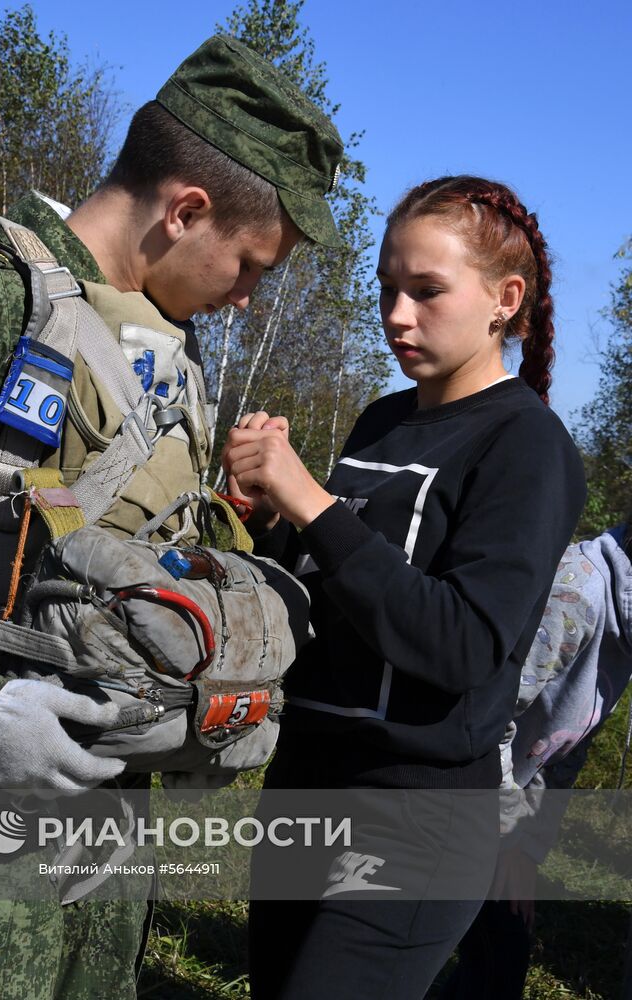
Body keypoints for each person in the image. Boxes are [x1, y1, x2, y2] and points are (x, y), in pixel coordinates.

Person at [0, 34, 343, 1000]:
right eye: (252, 263)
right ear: (186, 211)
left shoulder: (164, 348)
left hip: (112, 825)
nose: (248, 297)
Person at [221, 175, 587, 999]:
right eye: (388, 289)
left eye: (426, 291)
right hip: (305, 788)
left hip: (415, 817)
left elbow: (458, 643)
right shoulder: (381, 422)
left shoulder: (526, 447)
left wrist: (312, 500)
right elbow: (339, 587)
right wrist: (269, 517)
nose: (396, 315)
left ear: (505, 299)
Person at [441, 521, 632, 999]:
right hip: (449, 784)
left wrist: (526, 849)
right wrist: (507, 840)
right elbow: (486, 717)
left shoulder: (625, 623)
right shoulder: (577, 594)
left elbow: (563, 750)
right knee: (481, 951)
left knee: (498, 951)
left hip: (495, 806)